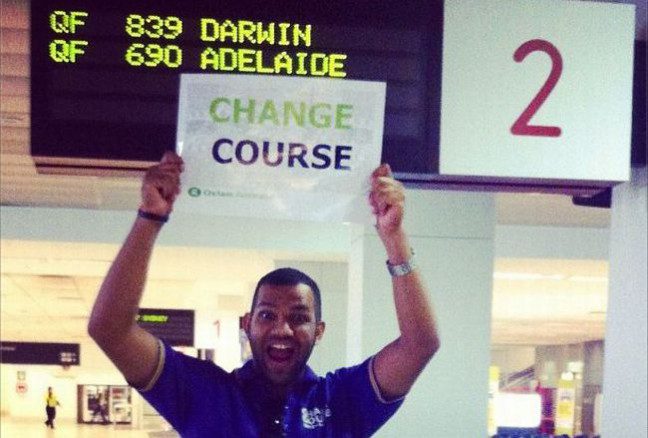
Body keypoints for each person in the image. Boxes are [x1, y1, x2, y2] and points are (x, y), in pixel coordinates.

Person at [88, 151, 440, 437]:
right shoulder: (204, 395)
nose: (282, 329)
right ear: (247, 324)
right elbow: (109, 330)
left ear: (319, 331)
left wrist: (394, 239)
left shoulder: (344, 399)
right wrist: (149, 218)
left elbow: (420, 344)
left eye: (299, 318)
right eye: (267, 314)